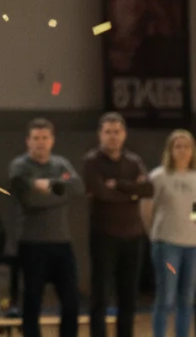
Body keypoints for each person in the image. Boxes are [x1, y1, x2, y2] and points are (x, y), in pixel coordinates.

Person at [8, 117, 84, 337]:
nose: (40, 142)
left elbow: (77, 187)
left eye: (45, 138)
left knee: (71, 302)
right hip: (32, 244)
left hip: (61, 243)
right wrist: (61, 190)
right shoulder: (20, 166)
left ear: (52, 140)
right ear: (27, 141)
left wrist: (47, 185)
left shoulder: (61, 164)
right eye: (36, 138)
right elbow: (30, 200)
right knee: (32, 303)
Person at [82, 111, 152, 337]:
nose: (113, 136)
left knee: (129, 297)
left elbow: (148, 189)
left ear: (124, 134)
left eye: (117, 132)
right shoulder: (92, 161)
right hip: (104, 235)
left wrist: (120, 185)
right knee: (100, 296)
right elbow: (101, 193)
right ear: (100, 135)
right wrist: (131, 191)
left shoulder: (134, 161)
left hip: (133, 236)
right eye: (108, 132)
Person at [143, 129, 196, 337]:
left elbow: (194, 210)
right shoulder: (159, 176)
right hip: (167, 245)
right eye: (178, 146)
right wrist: (153, 234)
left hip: (191, 247)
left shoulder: (195, 178)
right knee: (166, 297)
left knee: (187, 299)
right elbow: (147, 207)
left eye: (187, 146)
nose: (183, 151)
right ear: (170, 150)